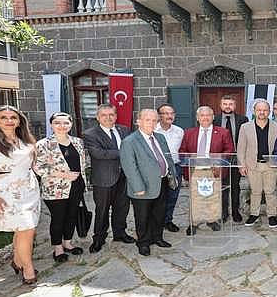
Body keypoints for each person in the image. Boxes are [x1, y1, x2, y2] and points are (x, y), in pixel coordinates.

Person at [0, 106, 40, 284]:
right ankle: (28, 268)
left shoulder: (25, 140)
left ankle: (18, 260)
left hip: (29, 190)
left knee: (27, 229)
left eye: (13, 117)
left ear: (19, 121)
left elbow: (33, 165)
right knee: (25, 228)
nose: (9, 120)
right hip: (5, 192)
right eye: (4, 117)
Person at [120, 109, 177, 256]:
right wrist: (138, 187)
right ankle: (143, 243)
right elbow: (129, 166)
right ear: (138, 121)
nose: (151, 123)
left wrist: (172, 175)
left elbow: (167, 158)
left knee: (159, 213)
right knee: (143, 217)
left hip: (162, 182)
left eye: (154, 120)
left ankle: (157, 237)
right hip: (142, 186)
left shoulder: (160, 137)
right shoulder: (130, 141)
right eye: (147, 120)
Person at [34, 112, 88, 263]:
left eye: (66, 123)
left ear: (71, 124)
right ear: (51, 124)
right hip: (55, 188)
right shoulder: (43, 144)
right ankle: (58, 248)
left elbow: (82, 162)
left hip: (77, 186)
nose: (62, 126)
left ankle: (68, 243)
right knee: (58, 218)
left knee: (72, 215)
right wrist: (64, 175)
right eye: (57, 123)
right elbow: (38, 167)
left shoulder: (77, 142)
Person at [83, 104, 135, 253]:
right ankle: (99, 238)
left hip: (124, 177)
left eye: (111, 114)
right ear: (98, 117)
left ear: (116, 116)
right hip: (103, 179)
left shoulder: (124, 130)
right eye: (104, 115)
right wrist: (124, 152)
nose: (108, 118)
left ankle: (120, 233)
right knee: (102, 210)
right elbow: (99, 154)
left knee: (122, 208)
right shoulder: (90, 134)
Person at [180, 106, 235, 235]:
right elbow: (182, 150)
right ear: (197, 118)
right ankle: (194, 222)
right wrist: (189, 159)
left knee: (213, 197)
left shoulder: (223, 132)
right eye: (202, 115)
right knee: (195, 198)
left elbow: (229, 150)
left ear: (213, 117)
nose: (205, 118)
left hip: (214, 170)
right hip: (195, 170)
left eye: (208, 115)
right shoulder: (189, 132)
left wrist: (218, 161)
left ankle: (212, 220)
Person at [237, 99, 277, 228]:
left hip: (271, 165)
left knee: (270, 191)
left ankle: (272, 215)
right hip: (252, 164)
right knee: (255, 191)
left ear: (269, 112)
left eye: (265, 110)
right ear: (254, 111)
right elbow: (241, 148)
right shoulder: (245, 127)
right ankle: (254, 214)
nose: (262, 112)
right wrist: (242, 165)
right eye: (259, 110)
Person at [213, 95, 249, 222]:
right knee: (222, 186)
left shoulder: (243, 119)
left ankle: (235, 212)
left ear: (235, 105)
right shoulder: (214, 119)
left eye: (230, 104)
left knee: (235, 186)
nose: (228, 106)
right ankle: (223, 213)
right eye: (225, 104)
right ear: (220, 105)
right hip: (219, 158)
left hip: (236, 157)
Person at [155, 104, 184, 232]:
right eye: (165, 113)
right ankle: (157, 222)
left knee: (172, 196)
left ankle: (168, 220)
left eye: (171, 113)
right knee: (158, 197)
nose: (169, 116)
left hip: (175, 168)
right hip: (157, 168)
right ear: (159, 116)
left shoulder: (179, 131)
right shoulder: (153, 130)